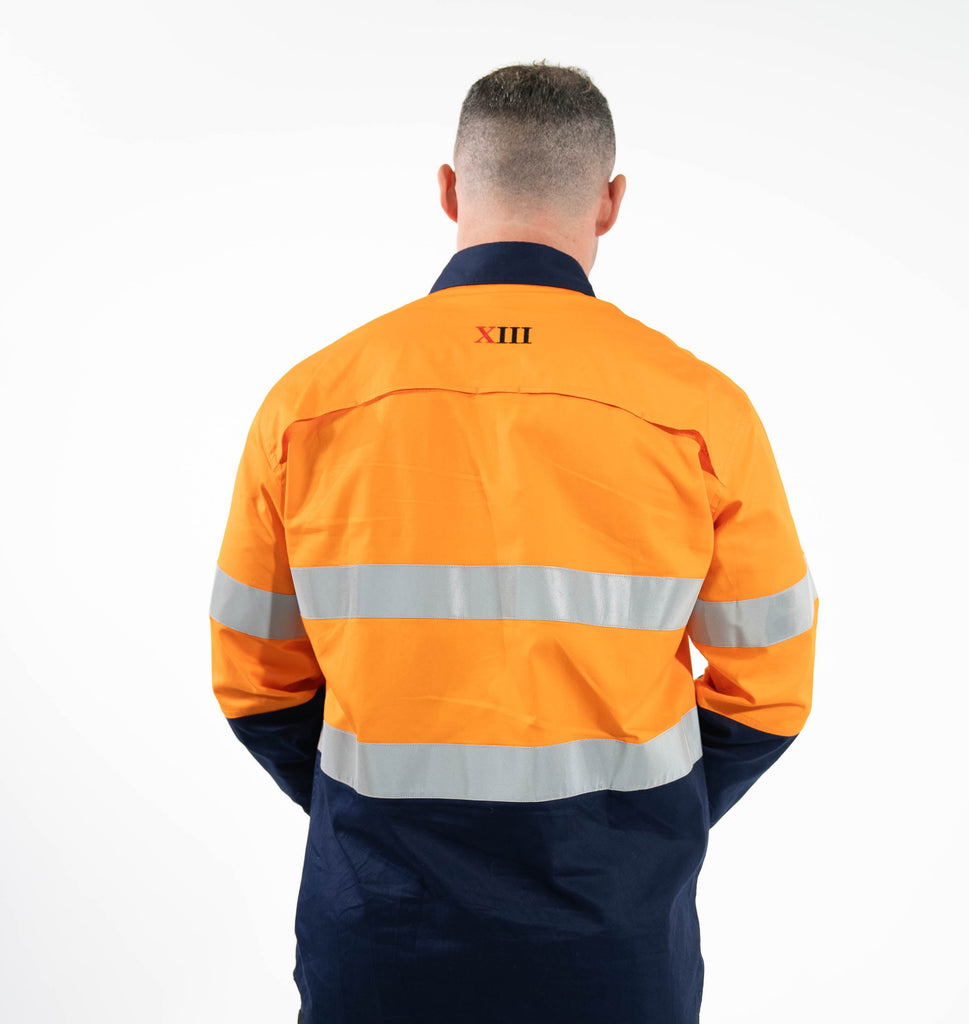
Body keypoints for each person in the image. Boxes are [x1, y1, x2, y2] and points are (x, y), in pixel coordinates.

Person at [210, 61, 817, 1024]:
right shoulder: (702, 412)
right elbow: (773, 683)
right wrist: (633, 831)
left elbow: (255, 680)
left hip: (378, 930)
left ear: (449, 189)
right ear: (610, 203)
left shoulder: (310, 404)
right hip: (614, 942)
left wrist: (376, 816)